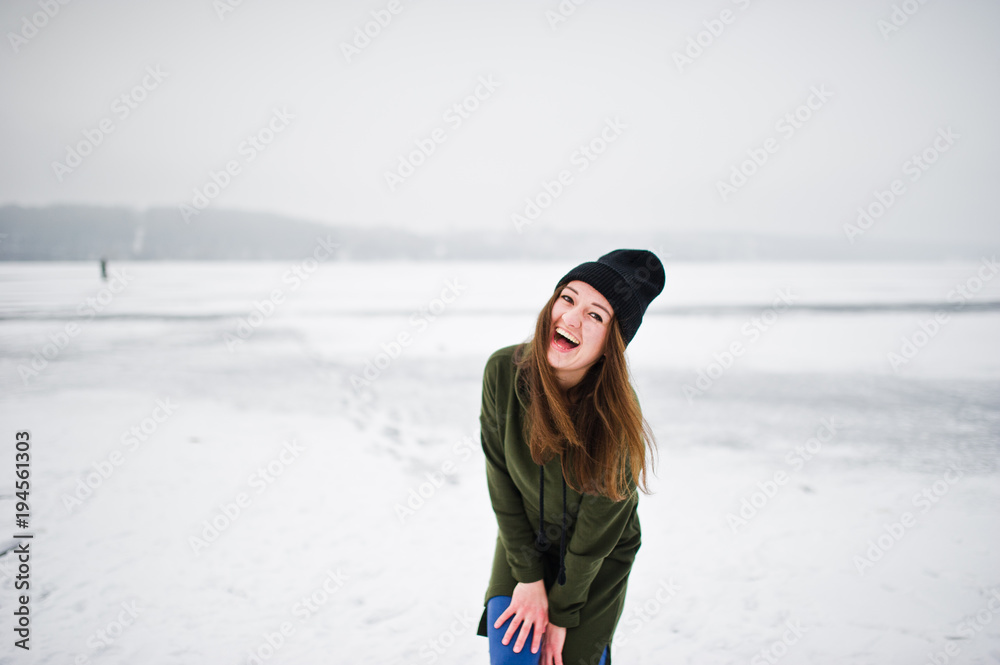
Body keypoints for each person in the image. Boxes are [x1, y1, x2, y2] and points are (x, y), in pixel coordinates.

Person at [476, 249, 665, 664]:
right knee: (513, 658)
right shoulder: (503, 372)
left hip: (595, 558)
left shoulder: (617, 417)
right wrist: (527, 577)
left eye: (595, 315)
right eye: (567, 298)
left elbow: (595, 537)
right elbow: (501, 479)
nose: (571, 318)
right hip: (524, 538)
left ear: (611, 345)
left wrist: (562, 614)